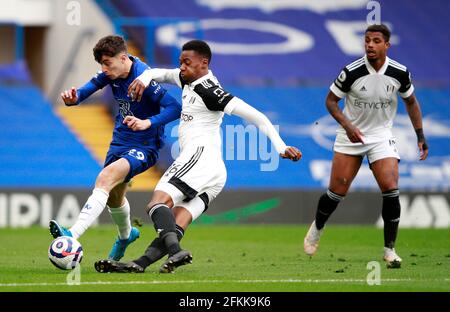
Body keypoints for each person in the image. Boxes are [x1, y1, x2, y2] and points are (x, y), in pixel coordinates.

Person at [94, 39, 302, 274]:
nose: (181, 67)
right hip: (215, 173)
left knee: (157, 203)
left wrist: (280, 147)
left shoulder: (210, 90)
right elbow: (161, 73)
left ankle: (175, 252)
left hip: (199, 157)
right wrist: (144, 77)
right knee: (176, 220)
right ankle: (140, 264)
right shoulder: (187, 78)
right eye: (181, 62)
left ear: (204, 63)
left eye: (187, 63)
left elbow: (257, 116)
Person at [303, 24, 429, 268]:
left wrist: (420, 135)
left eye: (375, 41)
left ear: (386, 45)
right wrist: (347, 125)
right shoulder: (352, 71)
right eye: (367, 40)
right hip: (351, 136)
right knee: (336, 192)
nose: (370, 45)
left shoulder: (400, 73)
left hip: (381, 135)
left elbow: (411, 102)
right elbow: (330, 101)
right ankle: (317, 228)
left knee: (391, 187)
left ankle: (389, 250)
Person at [48, 35, 182, 262]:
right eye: (101, 64)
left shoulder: (143, 77)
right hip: (120, 141)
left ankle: (73, 234)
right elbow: (88, 88)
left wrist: (147, 123)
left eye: (107, 64)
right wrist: (74, 98)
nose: (104, 69)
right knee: (113, 195)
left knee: (105, 177)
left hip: (144, 145)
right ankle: (126, 235)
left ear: (123, 58)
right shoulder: (111, 73)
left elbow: (174, 107)